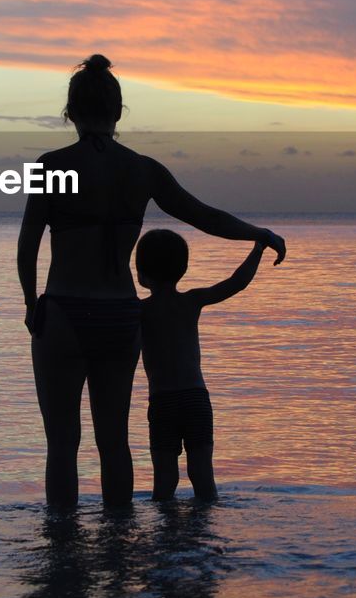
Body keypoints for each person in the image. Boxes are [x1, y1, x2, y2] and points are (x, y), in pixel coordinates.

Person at [18, 54, 286, 509]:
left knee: (62, 443)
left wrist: (31, 306)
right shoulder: (143, 169)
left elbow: (27, 247)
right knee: (114, 441)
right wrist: (257, 234)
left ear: (70, 112)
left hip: (65, 310)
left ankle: (62, 563)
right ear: (118, 112)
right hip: (121, 315)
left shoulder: (52, 166)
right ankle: (119, 550)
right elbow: (203, 215)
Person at [136, 230, 264, 501]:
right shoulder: (191, 301)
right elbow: (236, 283)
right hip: (196, 398)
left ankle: (167, 536)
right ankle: (204, 530)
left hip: (163, 402)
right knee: (202, 474)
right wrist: (258, 248)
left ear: (141, 274)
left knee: (165, 480)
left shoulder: (140, 310)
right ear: (182, 269)